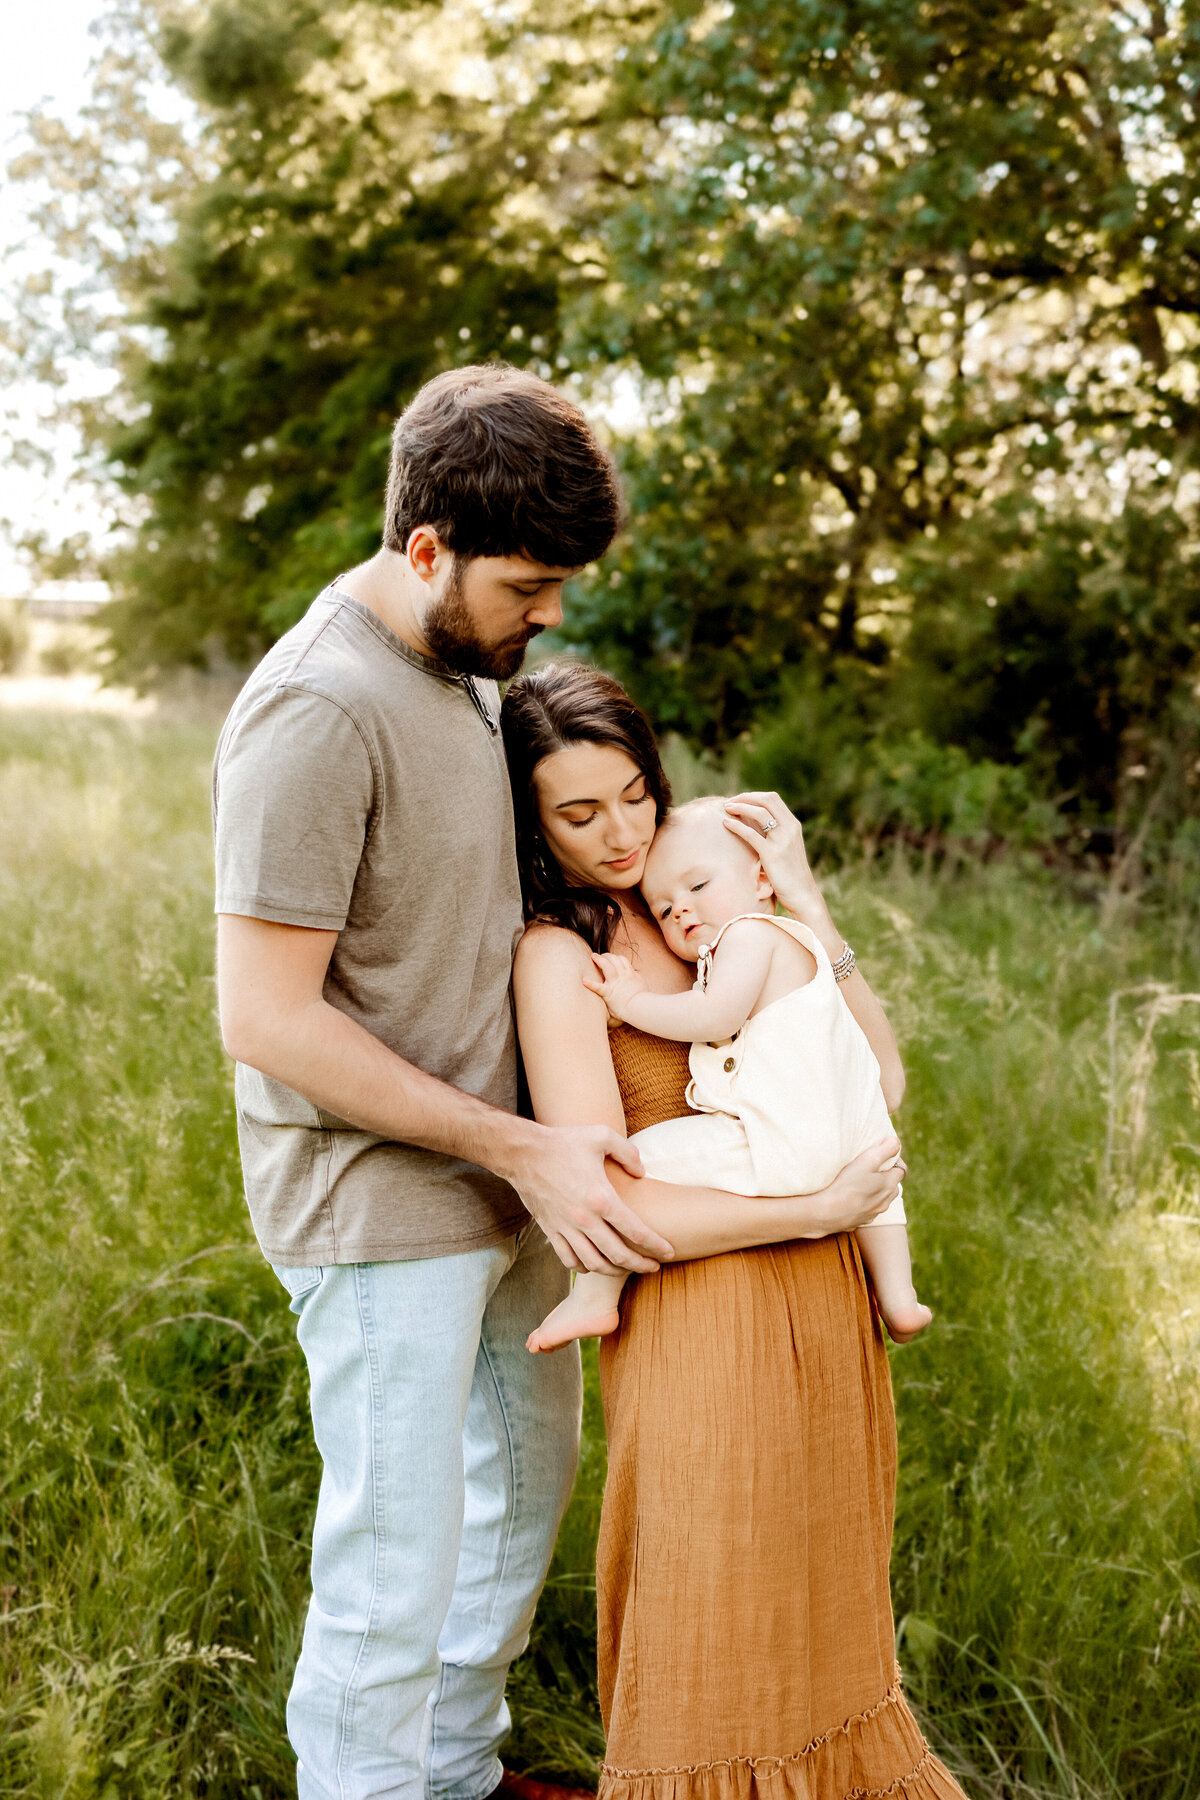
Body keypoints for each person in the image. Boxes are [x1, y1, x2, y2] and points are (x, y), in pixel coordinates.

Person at [212, 365, 682, 1800]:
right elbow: (268, 1018)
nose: (551, 616)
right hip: (379, 1206)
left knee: (513, 1521)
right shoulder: (316, 709)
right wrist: (519, 1146)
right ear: (426, 550)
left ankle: (460, 1774)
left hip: (505, 1193)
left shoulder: (469, 671)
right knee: (391, 1573)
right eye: (530, 584)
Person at [503, 661, 967, 1800]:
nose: (619, 836)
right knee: (711, 1633)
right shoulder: (563, 959)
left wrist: (803, 903)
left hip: (830, 1308)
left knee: (825, 1628)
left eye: (634, 796)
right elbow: (611, 1201)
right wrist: (811, 1209)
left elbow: (882, 1082)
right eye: (577, 812)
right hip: (704, 1316)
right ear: (529, 821)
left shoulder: (718, 904)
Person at [528, 795, 931, 1353]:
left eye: (698, 888)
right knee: (884, 1175)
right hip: (845, 1148)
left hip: (778, 1145)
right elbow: (877, 1094)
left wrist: (632, 1000)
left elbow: (712, 1016)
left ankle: (594, 1297)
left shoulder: (747, 937)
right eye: (665, 909)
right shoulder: (794, 949)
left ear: (762, 878)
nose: (683, 912)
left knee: (643, 1159)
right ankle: (901, 1300)